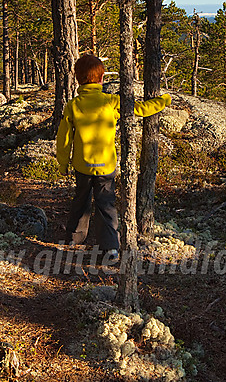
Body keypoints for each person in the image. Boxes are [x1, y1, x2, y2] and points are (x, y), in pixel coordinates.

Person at [56, 54, 172, 260]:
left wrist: (63, 163)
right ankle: (110, 248)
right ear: (101, 78)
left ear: (77, 78)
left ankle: (74, 238)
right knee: (106, 205)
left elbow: (64, 139)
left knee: (81, 200)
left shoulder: (72, 106)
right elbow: (141, 109)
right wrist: (163, 100)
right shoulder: (110, 101)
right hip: (106, 166)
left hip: (82, 166)